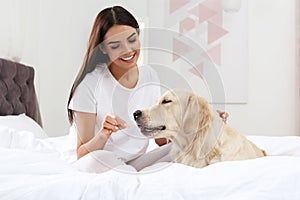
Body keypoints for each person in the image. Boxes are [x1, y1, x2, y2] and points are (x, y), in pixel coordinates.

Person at [67, 5, 228, 173]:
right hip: (98, 160)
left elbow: (159, 140)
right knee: (99, 159)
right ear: (103, 48)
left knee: (188, 146)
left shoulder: (149, 75)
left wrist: (200, 123)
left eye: (132, 40)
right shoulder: (89, 84)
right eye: (116, 46)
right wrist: (103, 134)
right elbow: (82, 154)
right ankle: (131, 179)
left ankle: (131, 178)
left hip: (135, 162)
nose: (128, 50)